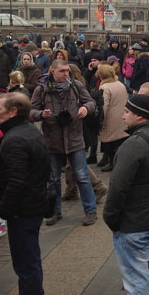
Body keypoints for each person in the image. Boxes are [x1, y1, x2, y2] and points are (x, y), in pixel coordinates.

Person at [103, 94, 149, 295]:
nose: (123, 116)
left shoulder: (132, 145)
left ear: (140, 116)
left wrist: (111, 218)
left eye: (127, 112)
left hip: (133, 223)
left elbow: (118, 188)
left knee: (137, 277)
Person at [0, 93, 50, 295]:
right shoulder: (28, 132)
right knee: (30, 259)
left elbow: (17, 181)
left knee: (26, 262)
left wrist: (5, 209)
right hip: (32, 205)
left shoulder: (15, 139)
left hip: (23, 210)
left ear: (13, 112)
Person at [29, 59, 98, 227]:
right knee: (52, 179)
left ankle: (90, 210)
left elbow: (91, 102)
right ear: (53, 71)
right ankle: (54, 212)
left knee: (82, 176)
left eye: (67, 71)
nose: (66, 74)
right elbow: (31, 111)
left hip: (74, 138)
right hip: (52, 140)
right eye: (62, 71)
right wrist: (40, 114)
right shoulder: (42, 89)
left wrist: (85, 109)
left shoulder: (75, 85)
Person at [96, 64, 129, 172]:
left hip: (111, 118)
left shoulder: (105, 87)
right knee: (120, 141)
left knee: (110, 143)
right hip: (122, 117)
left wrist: (101, 120)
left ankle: (112, 163)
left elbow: (103, 106)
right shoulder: (119, 83)